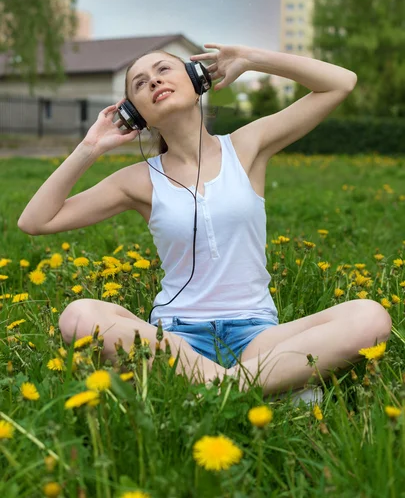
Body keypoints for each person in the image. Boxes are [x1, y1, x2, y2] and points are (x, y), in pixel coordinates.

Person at [18, 43, 392, 401]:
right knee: (78, 316)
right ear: (137, 116)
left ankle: (214, 387)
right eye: (140, 83)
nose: (153, 80)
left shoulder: (246, 146)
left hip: (257, 335)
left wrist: (250, 57)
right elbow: (35, 221)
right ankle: (267, 383)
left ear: (198, 81)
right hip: (176, 340)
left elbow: (341, 82)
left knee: (370, 316)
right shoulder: (137, 180)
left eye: (163, 69)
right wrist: (90, 148)